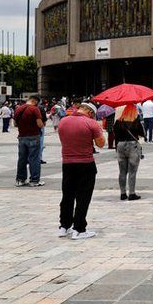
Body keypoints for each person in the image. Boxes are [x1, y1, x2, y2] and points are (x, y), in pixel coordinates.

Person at [56, 102, 104, 240]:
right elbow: (101, 143)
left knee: (67, 195)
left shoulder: (63, 121)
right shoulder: (91, 123)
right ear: (90, 112)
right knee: (83, 197)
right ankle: (79, 228)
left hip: (67, 163)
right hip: (85, 163)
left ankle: (64, 226)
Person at [113, 104, 145, 201]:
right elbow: (142, 134)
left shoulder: (118, 122)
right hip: (133, 146)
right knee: (132, 171)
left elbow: (115, 135)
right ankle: (131, 193)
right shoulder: (136, 122)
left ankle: (123, 193)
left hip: (121, 146)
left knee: (122, 171)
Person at [14, 95, 45, 187]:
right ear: (35, 101)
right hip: (33, 136)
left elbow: (15, 124)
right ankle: (34, 180)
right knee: (34, 158)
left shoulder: (18, 109)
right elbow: (39, 124)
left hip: (21, 137)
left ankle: (20, 180)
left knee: (22, 159)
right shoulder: (34, 109)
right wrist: (42, 125)